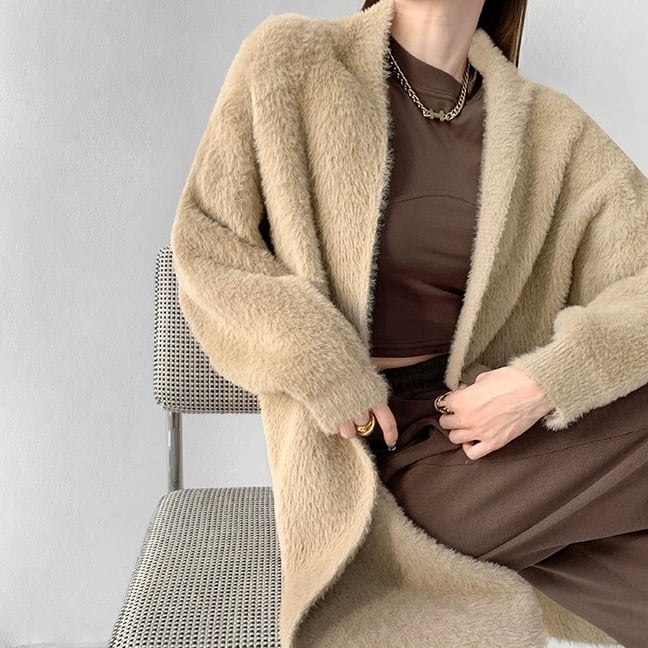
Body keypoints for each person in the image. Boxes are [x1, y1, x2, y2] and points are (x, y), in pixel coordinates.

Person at [169, 0, 648, 645]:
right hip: (372, 469)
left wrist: (544, 382)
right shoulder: (293, 62)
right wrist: (326, 365)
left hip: (488, 437)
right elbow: (208, 248)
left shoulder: (550, 129)